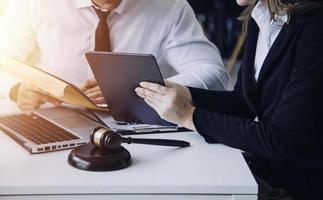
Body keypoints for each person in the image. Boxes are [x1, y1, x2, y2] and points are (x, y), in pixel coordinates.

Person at [136, 0, 323, 199]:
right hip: (268, 172)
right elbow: (244, 102)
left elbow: (281, 140)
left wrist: (189, 116)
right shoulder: (259, 17)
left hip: (300, 185)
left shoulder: (315, 27)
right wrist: (187, 94)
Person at [0, 0, 228, 110]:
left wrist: (145, 89)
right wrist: (16, 88)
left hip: (140, 125)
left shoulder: (169, 6)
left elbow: (215, 76)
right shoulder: (33, 3)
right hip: (56, 118)